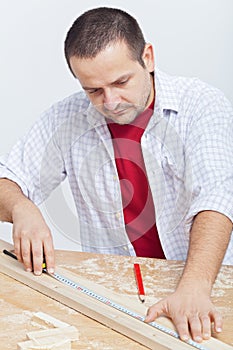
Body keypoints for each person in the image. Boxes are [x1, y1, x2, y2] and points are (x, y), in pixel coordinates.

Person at [0, 6, 233, 344]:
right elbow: (7, 179)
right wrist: (21, 206)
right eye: (93, 90)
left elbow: (217, 196)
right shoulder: (68, 119)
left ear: (148, 58)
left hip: (199, 282)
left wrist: (195, 288)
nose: (110, 102)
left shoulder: (201, 104)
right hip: (117, 291)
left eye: (121, 82)